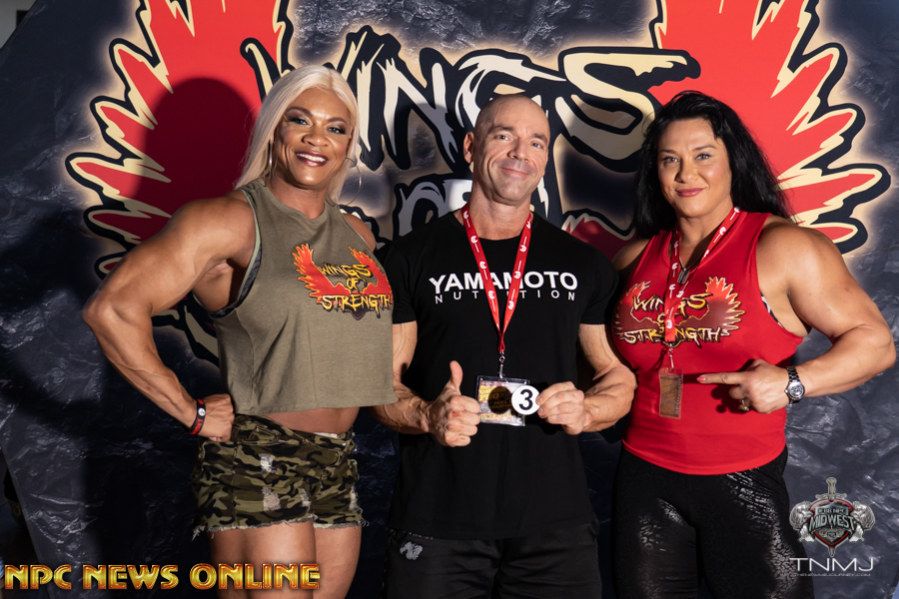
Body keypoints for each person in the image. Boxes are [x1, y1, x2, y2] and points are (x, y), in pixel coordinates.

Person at [82, 65, 395, 598]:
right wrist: (191, 412)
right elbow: (112, 309)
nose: (316, 138)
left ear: (348, 146)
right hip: (258, 455)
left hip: (338, 458)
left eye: (336, 128)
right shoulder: (226, 220)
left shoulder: (357, 234)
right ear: (274, 130)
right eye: (300, 120)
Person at [611, 90, 895, 599]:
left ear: (733, 163)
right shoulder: (634, 257)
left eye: (703, 156)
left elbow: (875, 344)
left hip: (740, 482)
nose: (686, 173)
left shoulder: (783, 247)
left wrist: (792, 382)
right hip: (643, 479)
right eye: (670, 159)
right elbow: (600, 358)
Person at [374, 94, 636, 598]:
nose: (521, 152)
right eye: (504, 136)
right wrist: (427, 415)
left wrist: (587, 410)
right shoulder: (410, 258)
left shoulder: (583, 264)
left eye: (536, 142)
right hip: (438, 519)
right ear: (471, 147)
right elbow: (382, 383)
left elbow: (616, 376)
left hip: (554, 527)